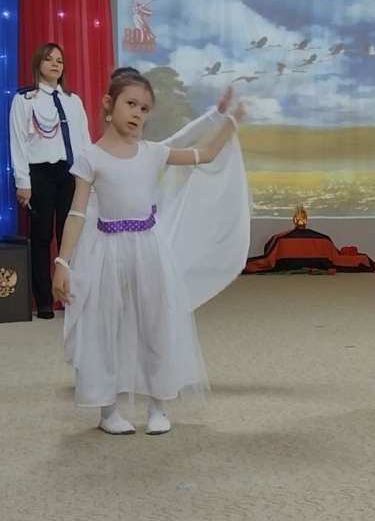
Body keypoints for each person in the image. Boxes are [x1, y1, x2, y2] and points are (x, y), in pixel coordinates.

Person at [52, 72, 247, 435]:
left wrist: (228, 121)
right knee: (105, 327)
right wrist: (63, 262)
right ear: (108, 104)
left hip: (149, 250)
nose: (137, 113)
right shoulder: (91, 157)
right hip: (105, 252)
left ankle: (159, 405)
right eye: (131, 104)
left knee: (156, 324)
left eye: (144, 109)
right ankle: (108, 411)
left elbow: (203, 153)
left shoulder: (152, 153)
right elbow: (77, 213)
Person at [8, 42, 91, 318]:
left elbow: (84, 141)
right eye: (49, 59)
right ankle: (44, 300)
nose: (56, 64)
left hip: (70, 173)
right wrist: (23, 181)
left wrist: (90, 175)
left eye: (60, 60)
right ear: (38, 64)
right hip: (40, 173)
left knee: (71, 235)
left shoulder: (73, 100)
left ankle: (71, 296)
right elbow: (18, 142)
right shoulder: (25, 99)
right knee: (42, 236)